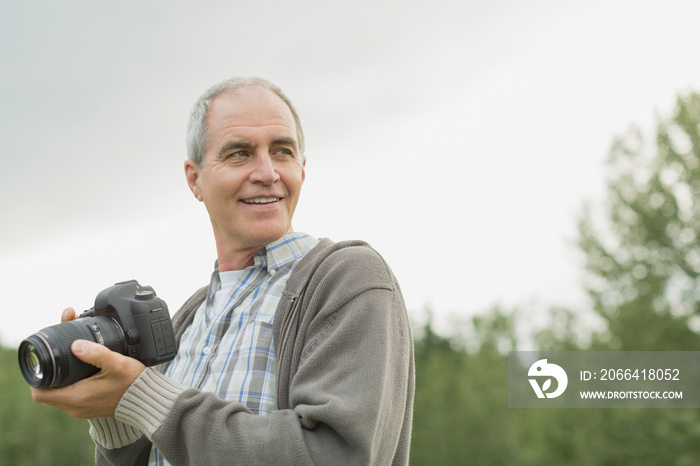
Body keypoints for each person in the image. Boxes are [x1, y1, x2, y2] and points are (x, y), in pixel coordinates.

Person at [31, 76, 415, 465]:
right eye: (240, 154)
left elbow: (333, 456)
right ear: (194, 179)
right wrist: (115, 415)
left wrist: (144, 396)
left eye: (281, 151)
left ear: (302, 166)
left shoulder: (347, 278)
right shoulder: (187, 318)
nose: (267, 172)